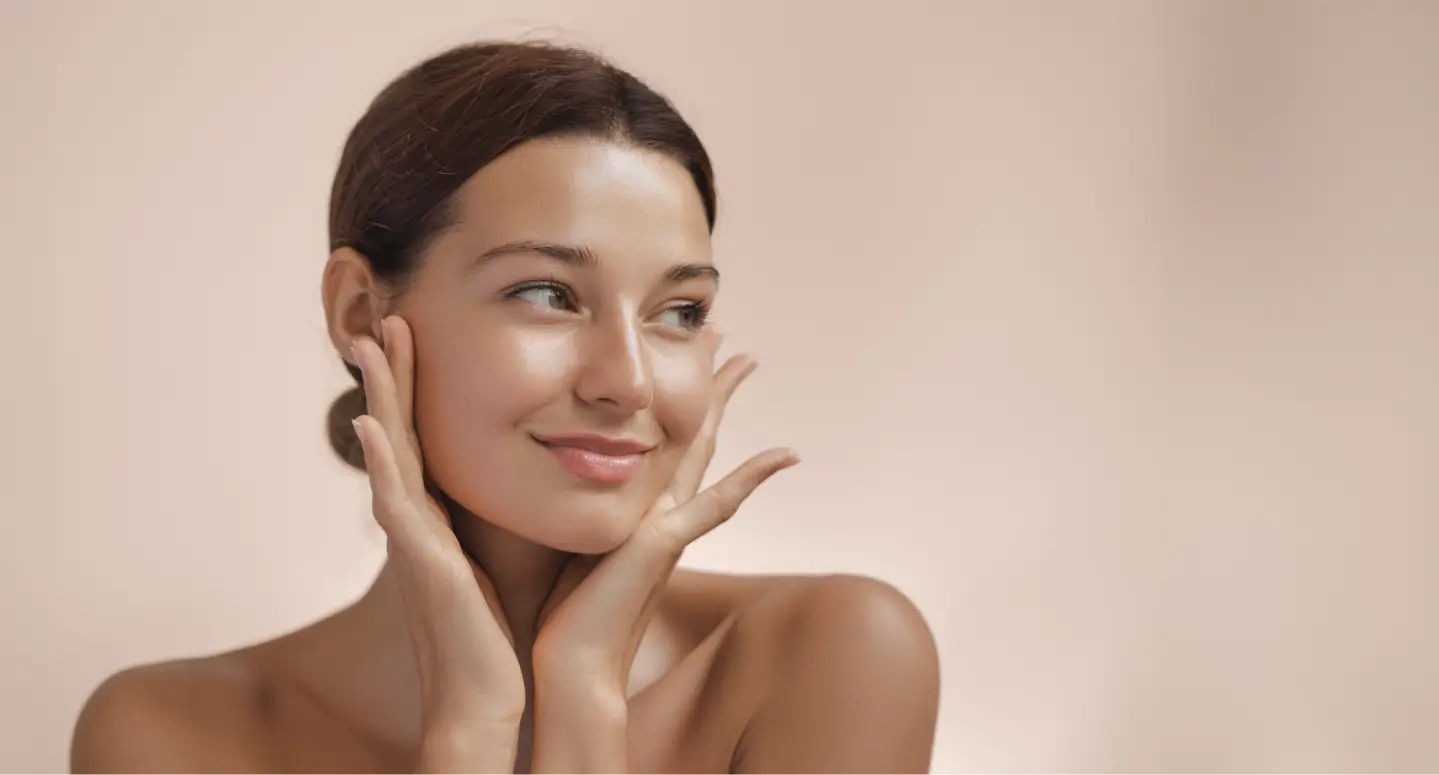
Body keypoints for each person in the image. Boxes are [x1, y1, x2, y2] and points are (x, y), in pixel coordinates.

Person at [69, 40, 941, 775]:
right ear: (361, 313)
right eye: (549, 293)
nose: (628, 382)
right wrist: (473, 726)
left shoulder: (831, 657)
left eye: (679, 313)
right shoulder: (171, 736)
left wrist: (586, 701)